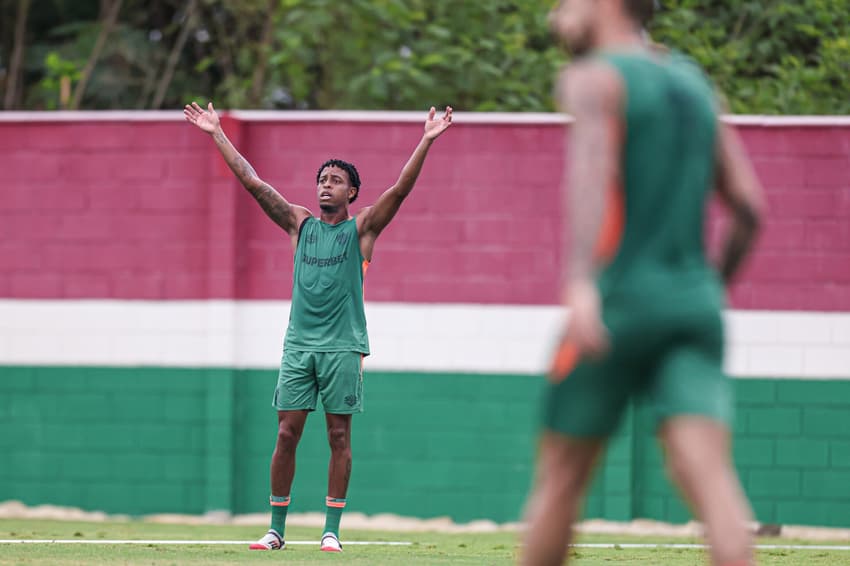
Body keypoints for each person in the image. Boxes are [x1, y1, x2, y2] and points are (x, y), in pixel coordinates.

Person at [520, 1, 764, 565]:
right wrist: (706, 290)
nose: (558, 12)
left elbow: (592, 172)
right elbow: (750, 209)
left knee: (561, 477)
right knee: (709, 478)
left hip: (619, 300)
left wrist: (581, 281)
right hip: (693, 303)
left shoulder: (595, 76)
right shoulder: (696, 85)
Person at [183, 101, 453, 552]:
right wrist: (215, 132)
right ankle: (276, 529)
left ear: (351, 192)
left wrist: (425, 138)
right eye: (321, 180)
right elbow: (253, 183)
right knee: (286, 433)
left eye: (335, 181)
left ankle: (331, 530)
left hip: (343, 346)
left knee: (338, 435)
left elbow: (400, 190)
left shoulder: (362, 229)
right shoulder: (299, 224)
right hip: (299, 346)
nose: (325, 186)